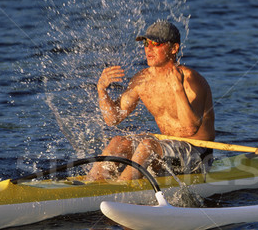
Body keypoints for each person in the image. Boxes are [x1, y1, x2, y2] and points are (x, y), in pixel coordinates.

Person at [87, 20, 215, 181]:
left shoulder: (191, 80)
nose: (149, 49)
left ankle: (120, 191)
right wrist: (101, 90)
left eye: (156, 43)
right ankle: (90, 185)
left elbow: (189, 129)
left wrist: (178, 89)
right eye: (146, 43)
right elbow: (112, 119)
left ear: (174, 48)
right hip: (166, 150)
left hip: (198, 155)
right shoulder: (142, 79)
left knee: (147, 145)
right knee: (118, 142)